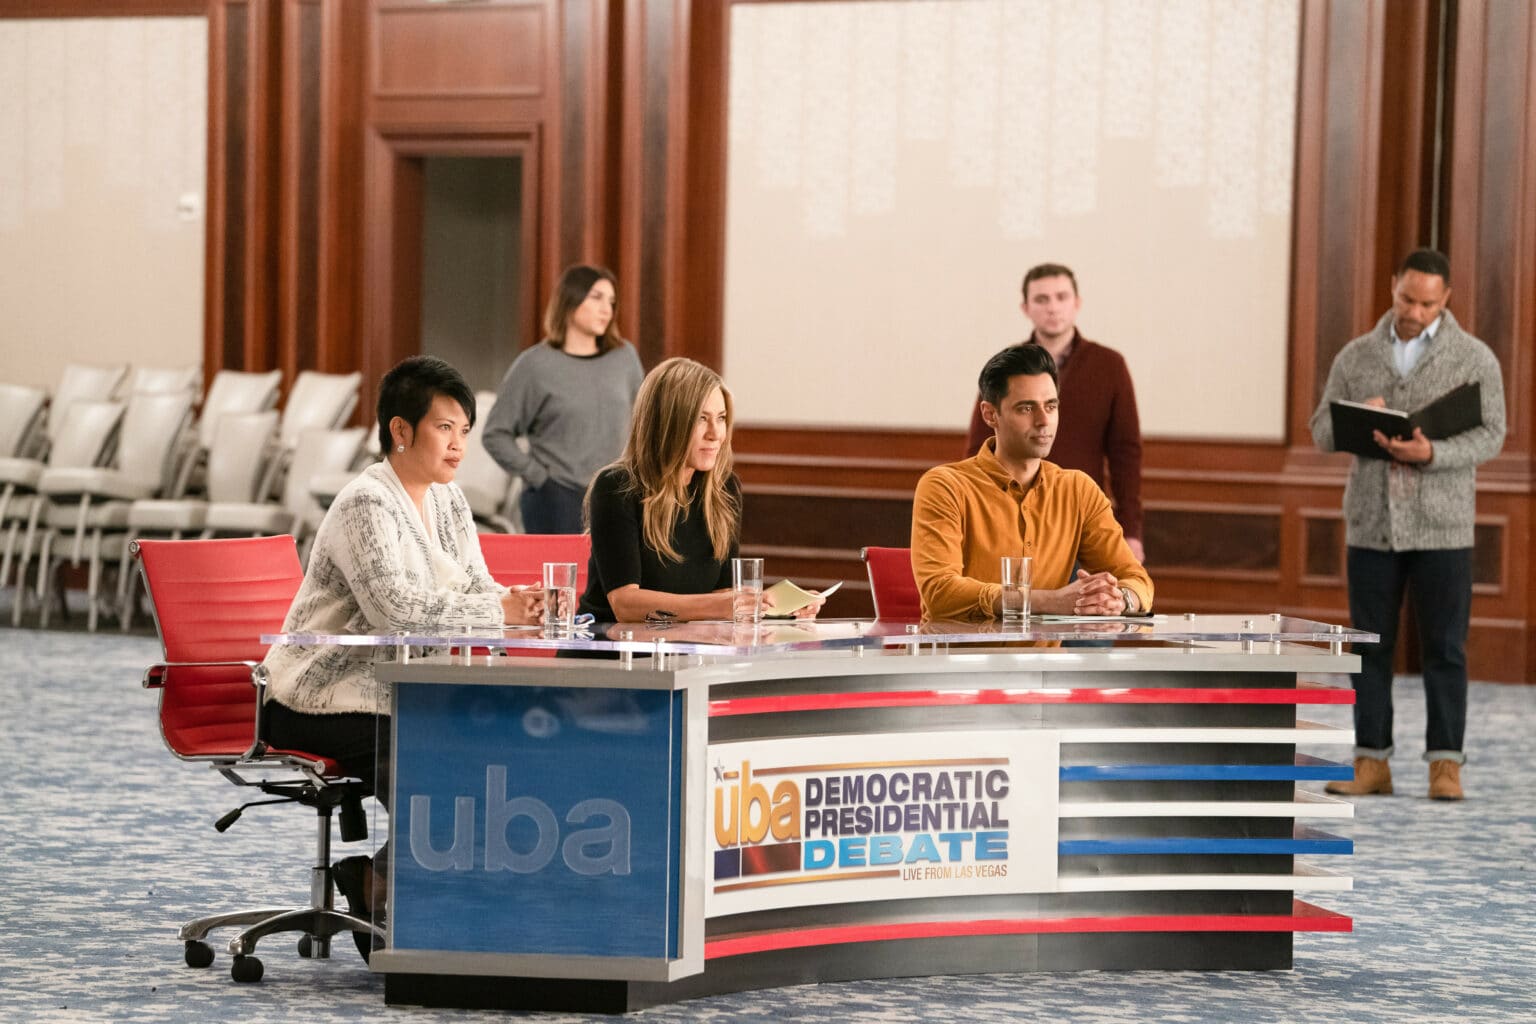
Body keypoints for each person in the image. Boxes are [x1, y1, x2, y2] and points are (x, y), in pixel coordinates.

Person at [261, 355, 544, 958]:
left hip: (400, 692)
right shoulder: (366, 504)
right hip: (316, 694)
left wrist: (517, 601)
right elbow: (397, 612)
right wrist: (499, 611)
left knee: (497, 747)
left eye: (465, 430)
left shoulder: (450, 501)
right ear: (400, 430)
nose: (459, 444)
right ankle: (408, 900)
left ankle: (379, 881)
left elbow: (475, 587)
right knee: (441, 758)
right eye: (445, 428)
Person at [1309, 248, 1506, 801]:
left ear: (1446, 299)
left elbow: (1492, 434)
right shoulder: (1356, 356)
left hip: (1443, 527)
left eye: (1427, 304)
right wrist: (1359, 414)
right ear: (1393, 285)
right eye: (1406, 299)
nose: (1415, 312)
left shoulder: (1475, 358)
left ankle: (1446, 764)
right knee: (1370, 646)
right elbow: (1321, 430)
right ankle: (1371, 761)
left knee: (1445, 648)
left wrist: (1434, 453)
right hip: (1372, 524)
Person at [915, 344, 1152, 622]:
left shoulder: (1078, 490)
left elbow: (1137, 580)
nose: (1043, 421)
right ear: (990, 414)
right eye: (1026, 408)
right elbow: (939, 591)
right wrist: (1051, 601)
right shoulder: (944, 487)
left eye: (1051, 406)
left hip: (1046, 652)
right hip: (959, 651)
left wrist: (1120, 599)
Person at [579, 357, 821, 623]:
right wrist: (725, 604)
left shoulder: (724, 489)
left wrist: (776, 609)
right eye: (701, 419)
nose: (716, 434)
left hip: (690, 644)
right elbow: (626, 605)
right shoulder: (616, 487)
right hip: (613, 644)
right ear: (667, 423)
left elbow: (723, 595)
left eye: (721, 418)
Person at [964, 263, 1145, 561]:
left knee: (1091, 591)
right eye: (1042, 299)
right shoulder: (1005, 367)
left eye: (1062, 297)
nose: (1053, 307)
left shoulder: (1109, 365)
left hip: (1082, 519)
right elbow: (978, 448)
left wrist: (1131, 530)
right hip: (1012, 520)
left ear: (1077, 303)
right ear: (1025, 308)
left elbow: (1125, 454)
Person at [482, 264, 645, 534]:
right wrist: (538, 477)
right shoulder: (534, 365)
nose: (606, 309)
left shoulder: (625, 358)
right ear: (570, 301)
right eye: (596, 297)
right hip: (556, 499)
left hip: (617, 494)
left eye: (611, 301)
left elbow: (645, 422)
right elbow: (495, 433)